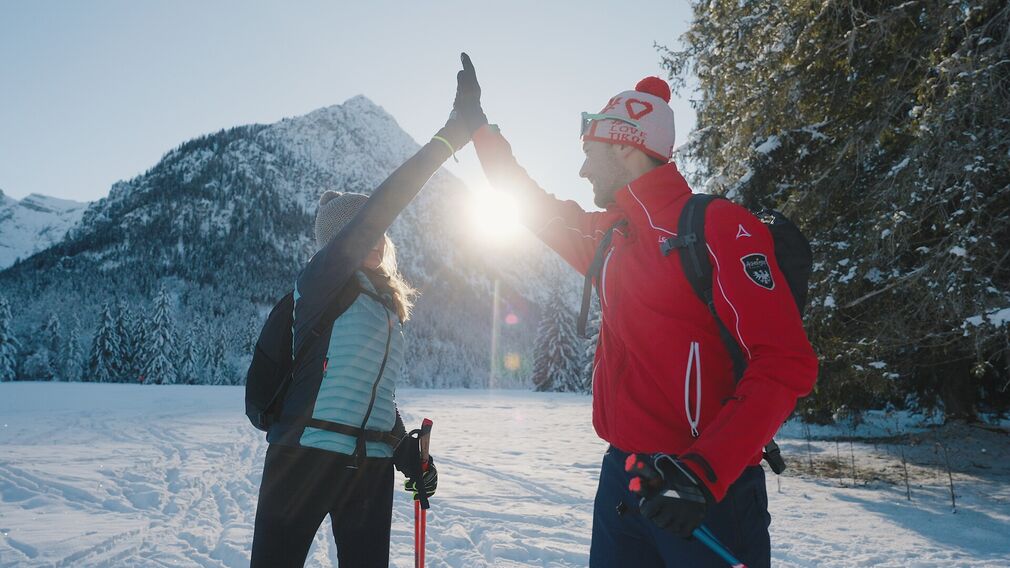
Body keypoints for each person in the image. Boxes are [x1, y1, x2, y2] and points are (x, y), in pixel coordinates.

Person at [451, 53, 818, 567]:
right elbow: (530, 205)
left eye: (589, 151)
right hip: (622, 484)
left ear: (626, 145)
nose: (581, 168)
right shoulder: (609, 238)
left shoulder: (718, 228)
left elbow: (785, 362)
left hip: (704, 493)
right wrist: (479, 130)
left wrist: (704, 472)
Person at [247, 90, 477, 567]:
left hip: (368, 469)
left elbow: (369, 393)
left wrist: (402, 450)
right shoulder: (322, 282)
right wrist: (451, 136)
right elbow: (388, 201)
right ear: (340, 242)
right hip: (304, 457)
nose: (377, 240)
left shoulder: (386, 305)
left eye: (379, 235)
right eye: (365, 232)